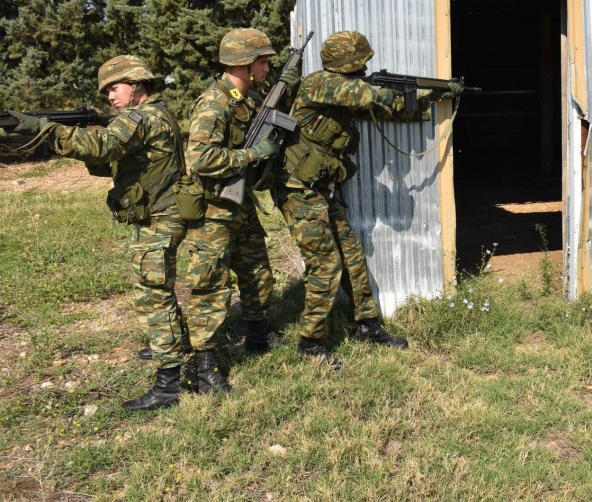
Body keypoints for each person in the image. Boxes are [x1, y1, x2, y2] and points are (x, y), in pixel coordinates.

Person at [6, 56, 190, 411]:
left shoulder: (143, 117)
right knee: (158, 289)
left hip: (158, 219)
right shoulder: (154, 114)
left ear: (137, 85)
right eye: (105, 91)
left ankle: (169, 383)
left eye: (114, 87)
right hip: (162, 213)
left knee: (154, 294)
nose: (109, 96)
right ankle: (171, 341)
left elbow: (102, 147)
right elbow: (112, 158)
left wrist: (37, 127)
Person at [273, 30, 459, 367]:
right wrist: (406, 89)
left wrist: (433, 96)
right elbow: (372, 98)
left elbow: (386, 110)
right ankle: (310, 342)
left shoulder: (340, 92)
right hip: (298, 190)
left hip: (321, 187)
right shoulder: (321, 84)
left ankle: (367, 326)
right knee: (326, 265)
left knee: (352, 256)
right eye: (362, 60)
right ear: (353, 61)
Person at [182, 28, 297, 393]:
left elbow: (267, 110)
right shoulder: (214, 104)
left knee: (257, 272)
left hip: (240, 203)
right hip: (213, 209)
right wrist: (251, 155)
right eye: (263, 62)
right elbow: (199, 158)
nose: (267, 67)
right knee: (211, 286)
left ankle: (259, 337)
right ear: (246, 65)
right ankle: (204, 366)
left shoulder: (242, 97)